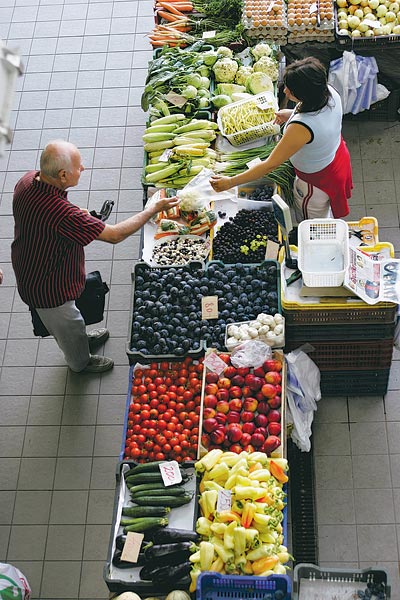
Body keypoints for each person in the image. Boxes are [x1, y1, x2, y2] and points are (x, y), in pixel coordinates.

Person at [11, 140, 178, 373]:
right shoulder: (62, 215)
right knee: (68, 327)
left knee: (73, 321)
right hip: (47, 289)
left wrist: (81, 214)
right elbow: (115, 235)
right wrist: (152, 209)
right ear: (61, 175)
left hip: (31, 262)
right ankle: (80, 362)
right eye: (78, 167)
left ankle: (81, 338)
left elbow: (56, 212)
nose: (84, 169)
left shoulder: (28, 181)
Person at [210, 56, 353, 223]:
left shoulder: (301, 128)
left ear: (304, 94)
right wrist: (291, 115)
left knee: (312, 221)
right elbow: (320, 121)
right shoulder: (329, 93)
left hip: (316, 180)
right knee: (322, 211)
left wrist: (230, 182)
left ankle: (313, 240)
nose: (285, 91)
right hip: (336, 156)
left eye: (290, 90)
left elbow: (270, 164)